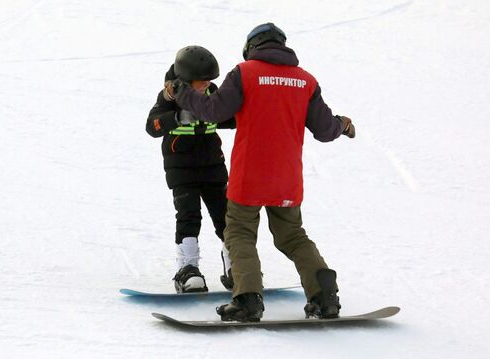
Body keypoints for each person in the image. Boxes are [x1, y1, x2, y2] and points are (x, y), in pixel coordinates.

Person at [166, 23, 356, 321]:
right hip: (287, 177)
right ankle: (325, 297)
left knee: (239, 233)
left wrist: (183, 93)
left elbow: (214, 111)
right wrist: (342, 125)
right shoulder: (306, 81)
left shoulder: (245, 73)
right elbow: (324, 128)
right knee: (293, 235)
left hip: (250, 174)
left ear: (251, 46)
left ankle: (248, 300)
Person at [146, 45, 236, 293]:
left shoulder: (212, 93)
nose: (205, 86)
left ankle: (235, 266)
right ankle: (188, 268)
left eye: (208, 81)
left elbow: (227, 117)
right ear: (185, 78)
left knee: (225, 217)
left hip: (213, 166)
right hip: (181, 169)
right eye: (200, 82)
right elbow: (151, 126)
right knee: (189, 216)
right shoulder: (169, 97)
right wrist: (175, 118)